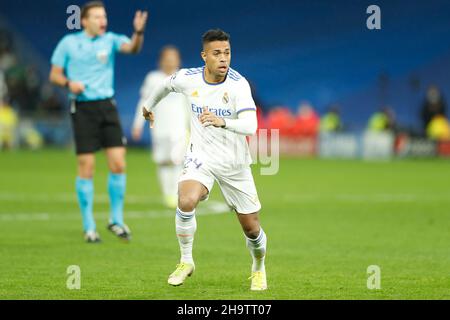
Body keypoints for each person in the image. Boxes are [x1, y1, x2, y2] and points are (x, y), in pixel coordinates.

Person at [141, 29, 268, 291]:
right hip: (201, 157)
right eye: (217, 53)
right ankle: (186, 260)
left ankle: (258, 266)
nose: (224, 59)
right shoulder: (189, 78)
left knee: (252, 229)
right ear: (204, 56)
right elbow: (165, 85)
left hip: (234, 163)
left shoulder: (238, 84)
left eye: (227, 53)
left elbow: (251, 125)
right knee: (186, 199)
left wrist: (222, 121)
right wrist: (149, 107)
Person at [49, 1, 148, 243]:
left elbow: (133, 49)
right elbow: (54, 74)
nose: (103, 20)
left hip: (107, 106)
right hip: (82, 107)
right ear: (84, 21)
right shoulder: (69, 43)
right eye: (97, 17)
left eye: (104, 16)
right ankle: (89, 225)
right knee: (87, 167)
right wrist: (68, 84)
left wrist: (138, 32)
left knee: (118, 164)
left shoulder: (111, 39)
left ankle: (116, 219)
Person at [132, 46, 189, 209]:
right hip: (158, 128)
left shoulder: (184, 77)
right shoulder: (153, 78)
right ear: (161, 61)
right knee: (163, 161)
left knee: (178, 160)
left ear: (178, 60)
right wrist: (138, 124)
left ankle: (177, 194)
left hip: (179, 129)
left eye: (174, 58)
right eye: (167, 58)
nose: (170, 62)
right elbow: (145, 102)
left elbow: (190, 104)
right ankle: (168, 194)